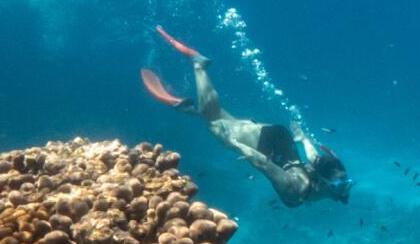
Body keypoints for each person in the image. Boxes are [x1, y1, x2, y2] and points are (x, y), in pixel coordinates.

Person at [141, 26, 352, 206]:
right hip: (265, 146)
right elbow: (263, 164)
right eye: (341, 185)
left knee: (215, 117)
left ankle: (187, 108)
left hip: (280, 139)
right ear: (324, 182)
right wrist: (236, 145)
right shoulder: (296, 188)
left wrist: (303, 139)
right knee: (213, 122)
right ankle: (199, 65)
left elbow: (315, 157)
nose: (344, 189)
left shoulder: (327, 179)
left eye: (345, 183)